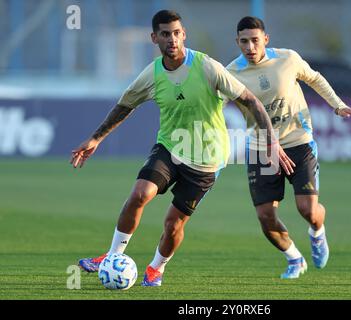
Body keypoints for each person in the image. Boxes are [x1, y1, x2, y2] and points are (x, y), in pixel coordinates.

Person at [71, 10, 294, 287]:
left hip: (206, 160)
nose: (172, 39)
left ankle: (156, 269)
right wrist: (96, 138)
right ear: (155, 38)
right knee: (140, 193)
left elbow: (251, 101)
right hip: (169, 147)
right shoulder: (152, 74)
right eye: (165, 34)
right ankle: (112, 256)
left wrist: (271, 141)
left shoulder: (206, 67)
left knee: (173, 225)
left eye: (177, 33)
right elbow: (125, 105)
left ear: (184, 35)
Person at [226, 16, 351, 279]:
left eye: (255, 40)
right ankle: (294, 258)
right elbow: (214, 105)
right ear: (237, 42)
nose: (250, 47)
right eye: (244, 41)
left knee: (308, 210)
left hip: (298, 142)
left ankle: (317, 232)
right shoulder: (230, 73)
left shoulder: (287, 59)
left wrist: (339, 105)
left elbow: (315, 79)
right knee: (266, 217)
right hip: (261, 149)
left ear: (265, 39)